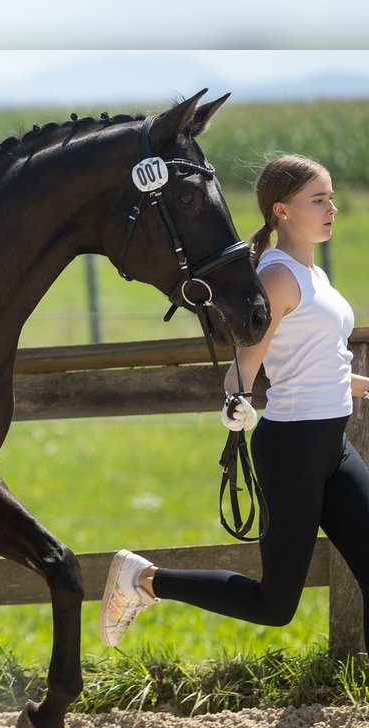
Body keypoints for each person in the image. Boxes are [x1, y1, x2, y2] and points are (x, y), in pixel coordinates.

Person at [99, 154, 369, 648]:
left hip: (331, 446)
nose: (331, 207)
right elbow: (244, 367)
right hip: (293, 450)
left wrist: (359, 384)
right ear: (282, 210)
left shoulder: (313, 275)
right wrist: (236, 404)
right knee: (275, 605)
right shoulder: (278, 276)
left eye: (330, 197)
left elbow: (311, 363)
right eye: (319, 199)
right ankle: (144, 580)